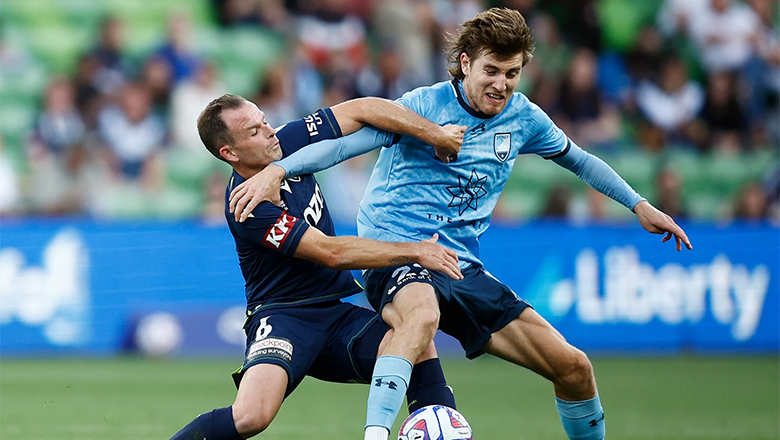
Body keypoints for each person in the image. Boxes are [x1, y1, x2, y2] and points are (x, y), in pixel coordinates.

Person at [227, 8, 693, 440]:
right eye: (491, 71)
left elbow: (580, 160)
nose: (501, 85)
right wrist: (278, 170)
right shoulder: (424, 106)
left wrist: (639, 204)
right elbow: (343, 146)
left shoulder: (524, 117)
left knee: (574, 367)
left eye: (512, 74)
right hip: (395, 253)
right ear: (465, 63)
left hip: (459, 263)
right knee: (422, 314)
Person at [170, 93, 467, 440]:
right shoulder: (246, 205)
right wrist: (414, 251)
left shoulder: (284, 142)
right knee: (252, 415)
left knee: (415, 338)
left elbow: (362, 109)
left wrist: (435, 134)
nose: (268, 130)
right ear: (230, 154)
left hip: (335, 315)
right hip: (283, 317)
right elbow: (331, 253)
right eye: (254, 130)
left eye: (264, 119)